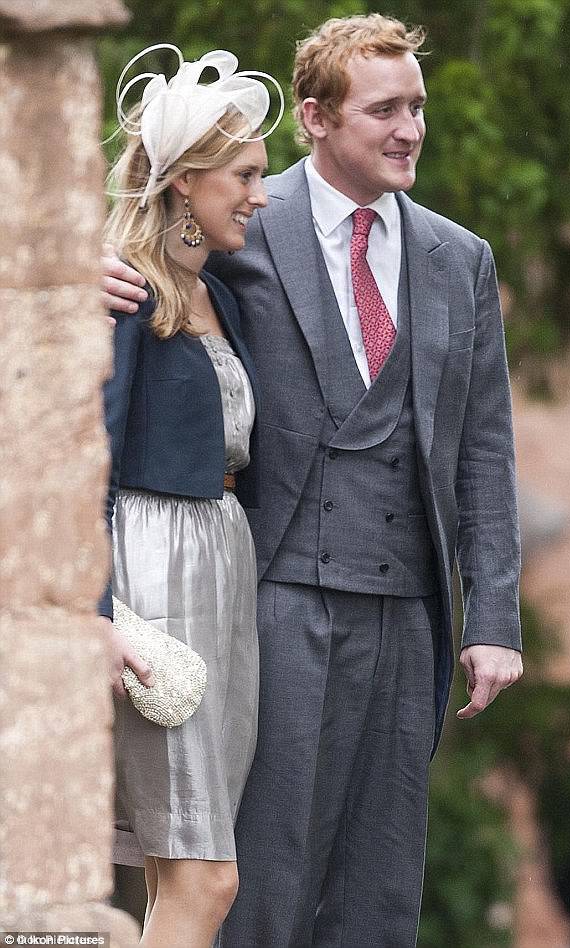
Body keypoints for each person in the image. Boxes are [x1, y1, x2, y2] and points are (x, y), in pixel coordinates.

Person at [102, 15, 523, 948]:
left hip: (409, 608)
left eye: (417, 106)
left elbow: (484, 448)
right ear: (318, 117)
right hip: (272, 597)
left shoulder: (460, 258)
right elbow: (148, 251)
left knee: (382, 889)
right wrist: (80, 274)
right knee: (261, 880)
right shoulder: (246, 215)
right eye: (384, 110)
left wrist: (493, 616)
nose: (410, 129)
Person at [98, 44, 282, 948]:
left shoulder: (221, 297)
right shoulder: (121, 293)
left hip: (222, 573)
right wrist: (95, 614)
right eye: (244, 175)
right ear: (184, 182)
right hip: (155, 576)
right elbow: (86, 461)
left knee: (179, 873)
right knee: (207, 879)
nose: (260, 194)